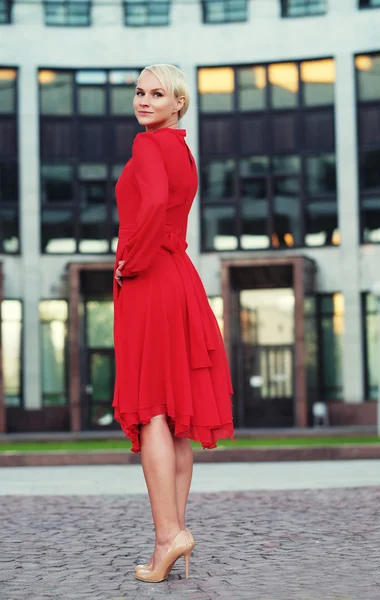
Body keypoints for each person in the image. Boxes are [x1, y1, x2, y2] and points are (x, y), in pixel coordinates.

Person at [112, 64, 234, 584]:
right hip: (180, 279)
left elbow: (155, 205)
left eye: (156, 93)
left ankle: (168, 537)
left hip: (152, 280)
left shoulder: (147, 147)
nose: (144, 100)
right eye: (140, 91)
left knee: (153, 412)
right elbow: (172, 210)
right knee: (175, 415)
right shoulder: (182, 150)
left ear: (177, 103)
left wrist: (129, 262)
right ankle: (175, 532)